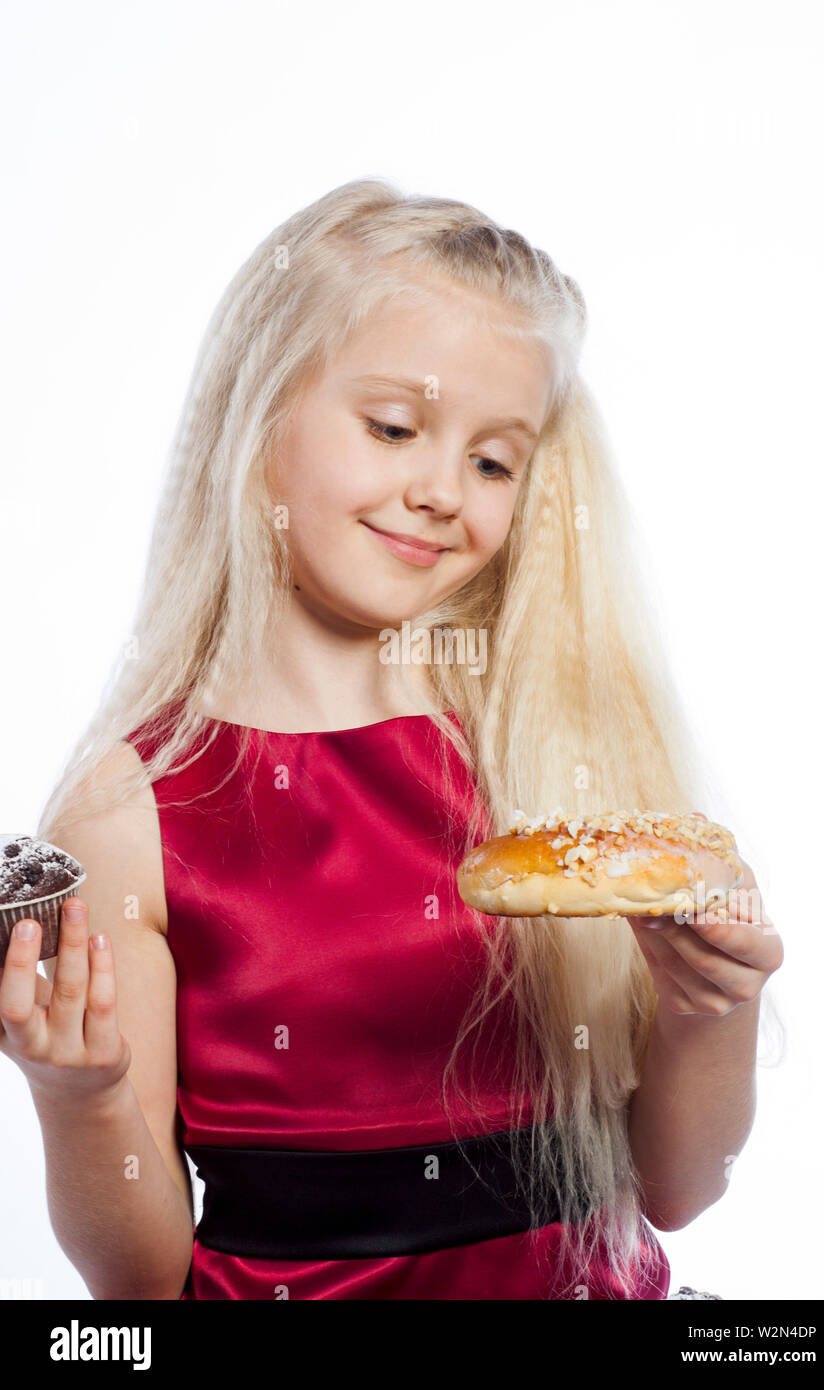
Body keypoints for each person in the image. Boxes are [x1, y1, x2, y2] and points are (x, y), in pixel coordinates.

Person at [0, 178, 783, 1300]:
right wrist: (74, 1094)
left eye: (492, 460)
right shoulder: (132, 811)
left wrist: (711, 1008)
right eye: (394, 427)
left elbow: (674, 1187)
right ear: (259, 412)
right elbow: (138, 1284)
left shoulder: (539, 743)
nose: (437, 490)